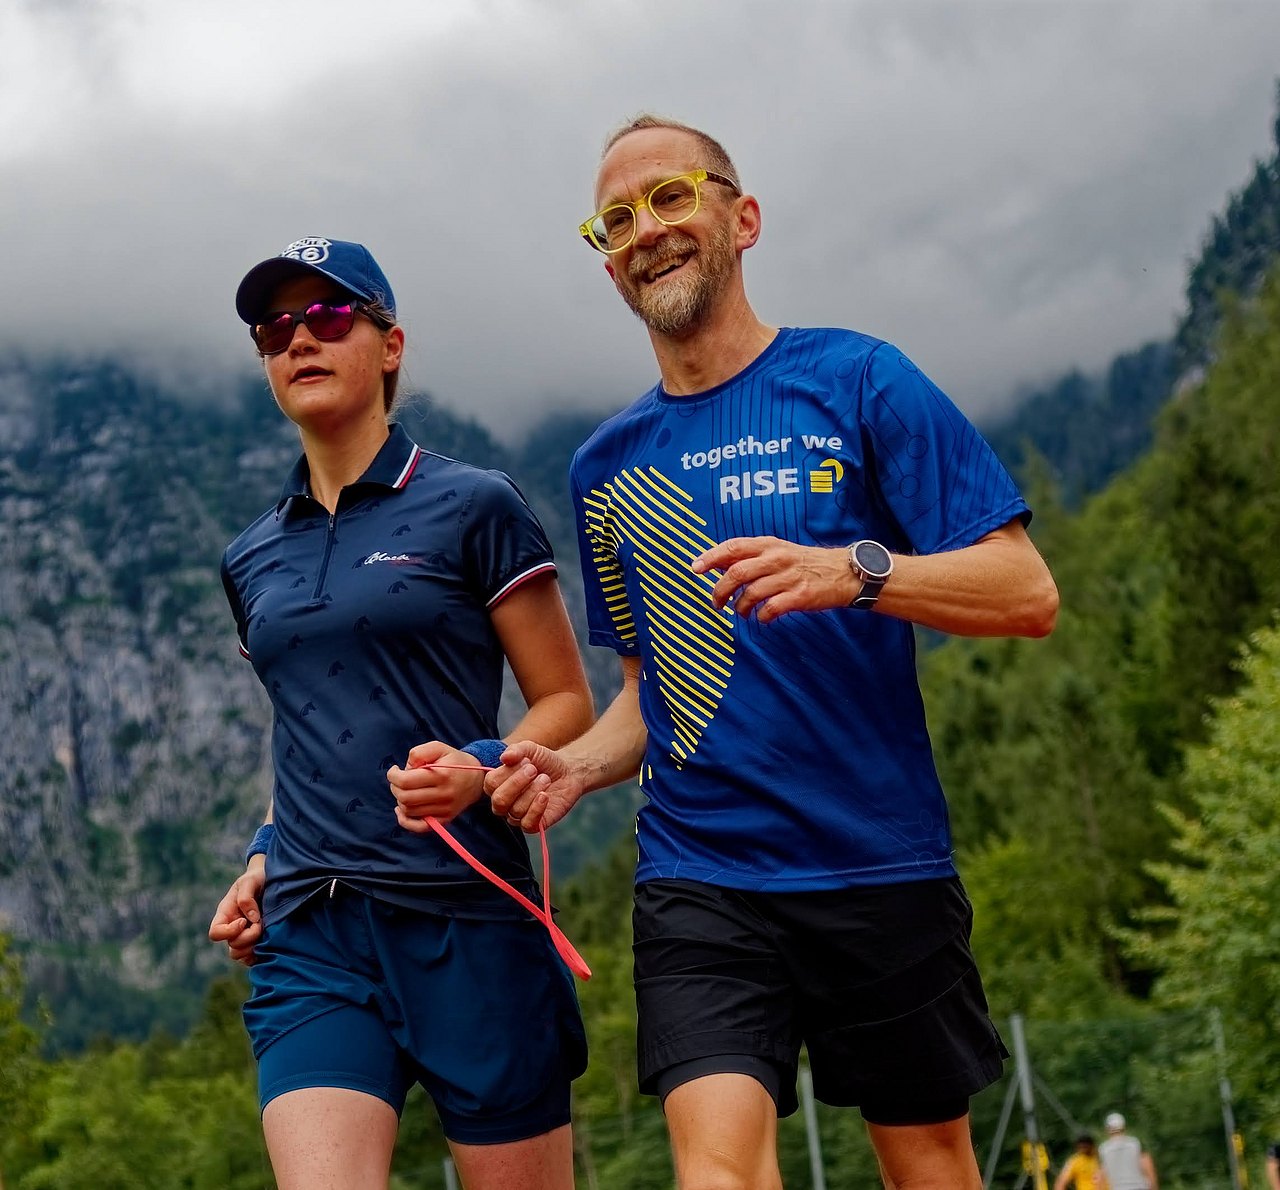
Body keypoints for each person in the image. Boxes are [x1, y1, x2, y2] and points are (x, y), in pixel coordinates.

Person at [485, 114, 1060, 1190]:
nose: (644, 230)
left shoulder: (859, 380)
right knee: (717, 1170)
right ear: (607, 263)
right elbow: (649, 696)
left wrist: (857, 571)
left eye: (670, 197)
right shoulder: (604, 465)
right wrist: (574, 767)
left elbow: (1025, 590)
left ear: (740, 218)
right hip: (701, 873)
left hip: (876, 858)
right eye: (614, 220)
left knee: (929, 1162)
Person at [206, 236, 592, 1190]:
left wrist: (483, 763)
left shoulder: (474, 506)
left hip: (470, 920)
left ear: (389, 345)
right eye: (277, 327)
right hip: (314, 931)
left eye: (330, 316)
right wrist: (262, 854)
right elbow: (309, 728)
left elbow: (568, 701)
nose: (301, 338)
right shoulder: (250, 556)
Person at [1098, 1112, 1157, 1190]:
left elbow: (1100, 1176)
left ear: (1107, 1129)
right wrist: (1155, 1187)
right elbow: (1147, 1166)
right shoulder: (1134, 1143)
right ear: (1123, 1127)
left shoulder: (1103, 1149)